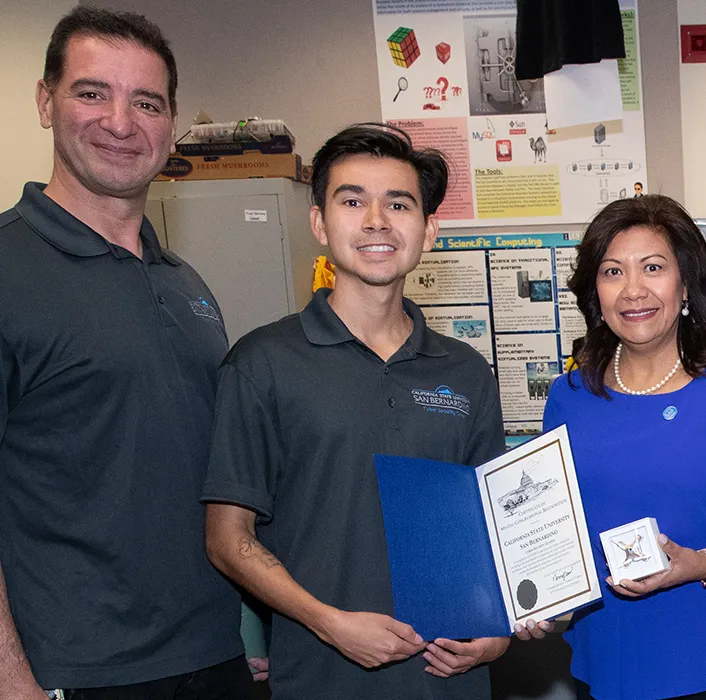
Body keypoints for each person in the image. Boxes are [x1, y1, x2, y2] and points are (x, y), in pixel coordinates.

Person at [201, 124, 510, 700]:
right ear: (319, 222)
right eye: (352, 200)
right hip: (321, 677)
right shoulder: (263, 363)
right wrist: (329, 622)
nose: (376, 221)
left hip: (450, 682)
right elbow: (226, 538)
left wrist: (501, 632)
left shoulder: (465, 372)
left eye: (399, 203)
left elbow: (497, 526)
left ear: (429, 230)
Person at [0, 7, 251, 698]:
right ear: (45, 101)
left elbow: (203, 468)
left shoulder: (187, 284)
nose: (120, 121)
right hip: (77, 673)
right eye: (92, 92)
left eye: (146, 101)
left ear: (169, 125)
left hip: (215, 659)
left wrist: (250, 627)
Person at [517, 194, 706, 699]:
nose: (633, 290)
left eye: (653, 268)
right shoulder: (568, 397)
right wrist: (537, 597)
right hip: (610, 657)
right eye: (613, 272)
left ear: (686, 284)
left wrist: (703, 562)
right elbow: (552, 523)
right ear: (594, 292)